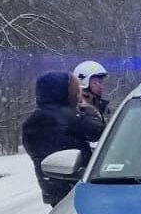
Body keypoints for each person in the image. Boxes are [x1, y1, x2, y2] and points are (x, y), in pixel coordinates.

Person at [22, 71, 105, 206]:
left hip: (53, 189)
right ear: (65, 92)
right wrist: (89, 111)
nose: (79, 96)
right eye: (75, 91)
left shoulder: (32, 121)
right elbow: (99, 132)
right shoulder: (65, 116)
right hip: (77, 188)